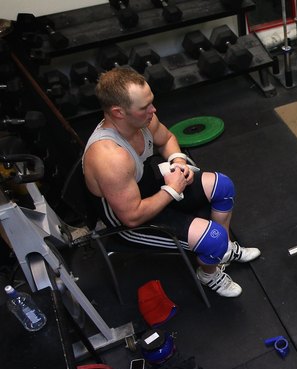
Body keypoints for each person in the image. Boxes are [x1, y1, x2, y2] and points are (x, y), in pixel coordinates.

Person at [82, 67, 259, 297]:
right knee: (213, 240)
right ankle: (208, 274)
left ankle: (223, 251)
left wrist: (178, 161)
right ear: (118, 112)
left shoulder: (144, 120)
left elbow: (167, 139)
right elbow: (132, 217)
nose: (153, 110)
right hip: (127, 222)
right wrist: (172, 189)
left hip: (151, 187)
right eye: (145, 107)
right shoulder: (110, 157)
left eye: (152, 102)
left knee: (223, 186)